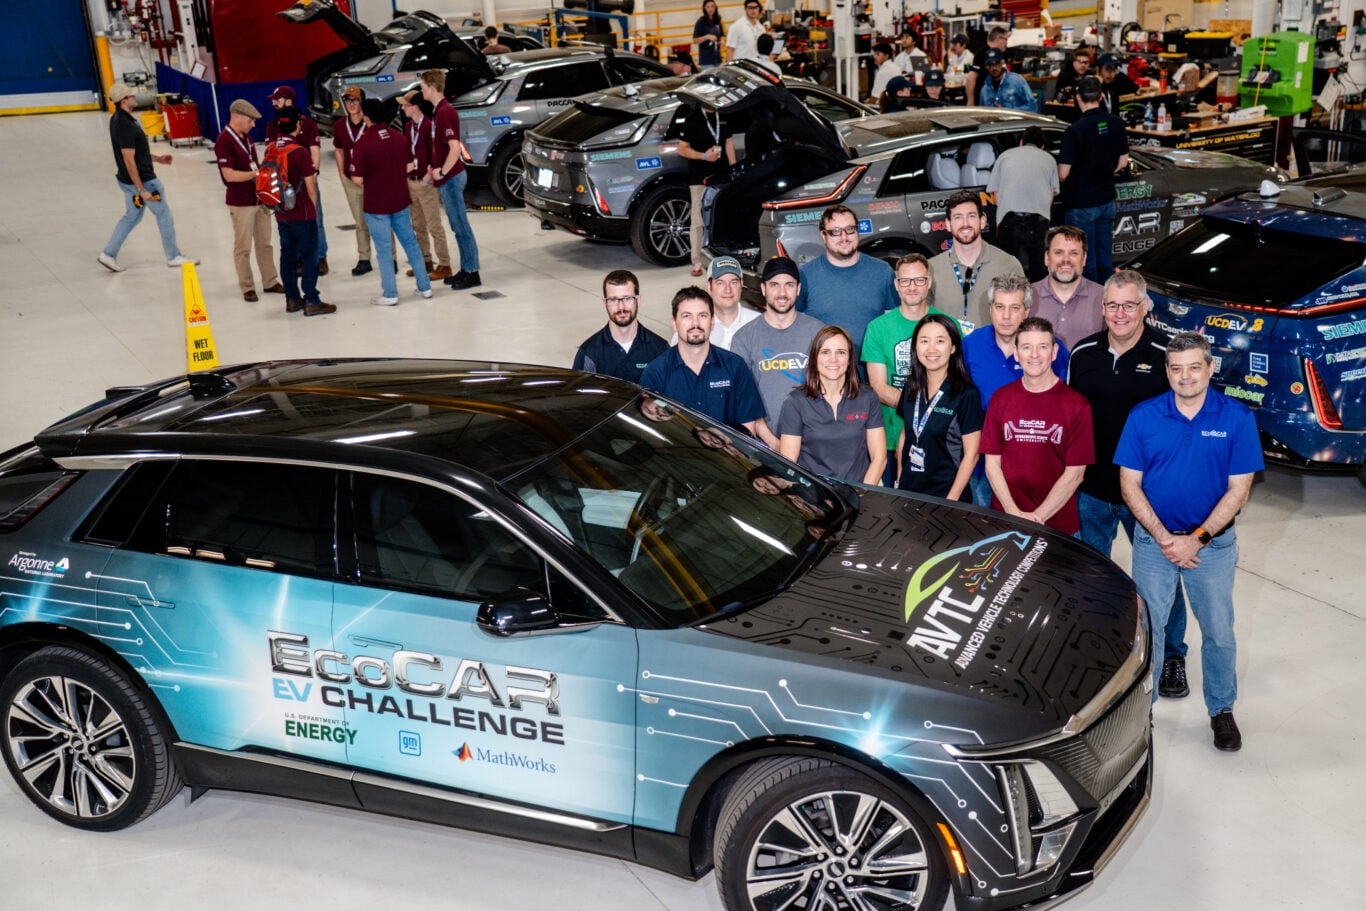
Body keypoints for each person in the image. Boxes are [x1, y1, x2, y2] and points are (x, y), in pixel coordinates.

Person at [1116, 331, 1263, 752]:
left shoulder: (1236, 418)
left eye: (1195, 367)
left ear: (1210, 368)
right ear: (1167, 371)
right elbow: (1129, 484)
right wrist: (1165, 538)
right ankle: (1142, 711)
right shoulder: (1144, 416)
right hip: (1154, 545)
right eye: (1177, 369)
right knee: (1149, 632)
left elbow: (1239, 490)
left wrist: (1196, 540)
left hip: (1211, 548)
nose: (1186, 377)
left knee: (1218, 631)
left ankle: (1221, 710)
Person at [1068, 269, 1189, 696]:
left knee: (1163, 582)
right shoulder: (1082, 353)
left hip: (1148, 498)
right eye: (1112, 305)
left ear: (1145, 307)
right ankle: (1102, 651)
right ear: (1102, 308)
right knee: (1093, 579)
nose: (1120, 313)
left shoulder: (1165, 355)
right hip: (1092, 492)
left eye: (1129, 305)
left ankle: (1172, 656)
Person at [962, 274, 1069, 505]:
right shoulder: (970, 346)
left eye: (1014, 308)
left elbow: (1064, 405)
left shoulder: (1052, 350)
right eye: (1000, 307)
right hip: (982, 467)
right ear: (990, 309)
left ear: (1027, 311)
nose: (1006, 316)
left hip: (1037, 468)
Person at [980, 315, 1093, 534]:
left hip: (1058, 527)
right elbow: (992, 465)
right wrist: (1013, 512)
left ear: (1054, 352)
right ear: (1016, 353)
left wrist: (1036, 518)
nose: (1034, 355)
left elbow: (1075, 474)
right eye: (1026, 347)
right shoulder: (1000, 399)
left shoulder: (1077, 405)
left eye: (1042, 347)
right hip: (1006, 520)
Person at [864, 253, 957, 482]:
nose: (912, 287)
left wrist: (928, 413)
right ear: (896, 285)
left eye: (919, 280)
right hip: (890, 436)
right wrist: (918, 408)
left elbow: (956, 381)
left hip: (939, 437)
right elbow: (878, 386)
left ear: (929, 282)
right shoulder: (877, 328)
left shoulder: (948, 324)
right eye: (905, 281)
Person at [639, 287, 768, 436]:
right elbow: (650, 429)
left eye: (702, 315)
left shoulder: (735, 366)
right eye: (686, 316)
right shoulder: (656, 372)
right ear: (674, 323)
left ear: (712, 322)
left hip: (727, 451)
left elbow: (747, 429)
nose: (695, 323)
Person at [98, 83, 196, 272]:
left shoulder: (119, 119)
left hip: (128, 180)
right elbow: (129, 161)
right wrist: (142, 189)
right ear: (124, 101)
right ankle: (173, 256)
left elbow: (136, 154)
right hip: (144, 182)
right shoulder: (125, 125)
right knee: (164, 215)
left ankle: (108, 254)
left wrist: (157, 159)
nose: (135, 97)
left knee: (132, 217)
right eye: (131, 96)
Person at [349, 98, 433, 307]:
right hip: (400, 200)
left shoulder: (363, 144)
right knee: (411, 243)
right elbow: (410, 166)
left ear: (366, 117)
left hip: (376, 203)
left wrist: (374, 179)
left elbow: (357, 179)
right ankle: (425, 287)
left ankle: (390, 293)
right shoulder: (399, 137)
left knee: (384, 249)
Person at [732, 256, 824, 447]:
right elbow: (743, 400)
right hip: (766, 447)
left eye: (789, 285)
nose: (782, 293)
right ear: (763, 289)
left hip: (814, 444)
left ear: (798, 289)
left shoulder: (819, 332)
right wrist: (773, 444)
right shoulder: (744, 338)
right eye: (774, 285)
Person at [777, 326, 886, 485]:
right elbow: (789, 463)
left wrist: (862, 493)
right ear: (815, 358)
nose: (833, 359)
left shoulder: (868, 397)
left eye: (841, 352)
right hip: (814, 493)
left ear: (850, 359)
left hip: (860, 489)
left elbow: (879, 457)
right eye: (825, 352)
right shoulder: (795, 402)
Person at [895, 314, 982, 502]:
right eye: (924, 341)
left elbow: (972, 454)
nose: (931, 349)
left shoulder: (966, 394)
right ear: (915, 347)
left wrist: (950, 501)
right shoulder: (911, 387)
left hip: (946, 496)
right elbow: (905, 434)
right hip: (909, 492)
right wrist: (900, 478)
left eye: (940, 341)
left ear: (953, 347)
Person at [794, 205, 898, 351]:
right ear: (823, 235)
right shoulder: (805, 275)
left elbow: (894, 323)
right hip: (826, 364)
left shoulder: (882, 271)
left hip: (872, 363)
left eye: (850, 229)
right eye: (836, 232)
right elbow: (795, 325)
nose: (844, 237)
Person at [1059, 75, 1129, 282]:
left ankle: (1089, 299)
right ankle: (1107, 295)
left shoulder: (1074, 131)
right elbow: (1123, 162)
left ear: (1078, 98)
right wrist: (1103, 171)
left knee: (1084, 260)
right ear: (1101, 97)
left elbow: (1063, 173)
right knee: (1105, 257)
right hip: (1106, 198)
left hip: (1081, 203)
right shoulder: (1116, 123)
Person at [927, 190, 1023, 336]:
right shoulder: (931, 268)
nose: (965, 224)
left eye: (971, 216)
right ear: (948, 224)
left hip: (993, 349)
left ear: (982, 221)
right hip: (948, 349)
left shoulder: (1008, 264)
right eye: (958, 217)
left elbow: (1022, 317)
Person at [420, 69, 482, 291]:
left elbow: (455, 148)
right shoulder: (439, 111)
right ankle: (466, 268)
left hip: (452, 178)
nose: (421, 91)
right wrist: (434, 166)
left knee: (461, 226)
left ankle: (472, 271)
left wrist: (443, 172)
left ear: (432, 87)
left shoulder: (445, 112)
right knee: (457, 226)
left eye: (423, 87)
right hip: (448, 177)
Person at [214, 98, 282, 302]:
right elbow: (228, 175)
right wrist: (255, 174)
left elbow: (254, 164)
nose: (253, 125)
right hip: (240, 201)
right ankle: (247, 286)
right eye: (250, 121)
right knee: (243, 247)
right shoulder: (224, 140)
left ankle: (270, 281)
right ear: (237, 117)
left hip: (258, 199)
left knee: (265, 243)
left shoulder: (247, 137)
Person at [269, 106, 333, 316]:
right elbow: (311, 187)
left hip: (281, 212)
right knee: (309, 255)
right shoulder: (299, 151)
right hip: (302, 213)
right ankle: (312, 300)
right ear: (297, 125)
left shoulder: (271, 148)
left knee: (287, 254)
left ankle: (292, 299)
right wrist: (313, 211)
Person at [265, 85, 328, 276]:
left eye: (277, 100)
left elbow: (315, 151)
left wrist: (313, 175)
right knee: (288, 221)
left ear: (288, 101)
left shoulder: (308, 124)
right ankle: (298, 258)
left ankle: (320, 256)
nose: (274, 103)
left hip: (306, 179)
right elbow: (270, 153)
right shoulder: (273, 125)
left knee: (315, 218)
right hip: (283, 183)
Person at [986, 126, 1057, 281]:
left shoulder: (1004, 156)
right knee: (1038, 268)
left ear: (1021, 142)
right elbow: (1050, 196)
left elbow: (996, 196)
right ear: (1042, 146)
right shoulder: (1049, 159)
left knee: (1007, 269)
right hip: (1037, 221)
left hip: (1009, 220)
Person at [572, 269, 668, 382]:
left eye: (627, 298)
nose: (621, 307)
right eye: (613, 300)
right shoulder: (589, 353)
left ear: (638, 300)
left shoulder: (660, 349)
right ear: (605, 303)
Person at [399, 91, 452, 281]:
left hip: (425, 182)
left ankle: (444, 263)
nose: (402, 108)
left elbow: (435, 153)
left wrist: (427, 177)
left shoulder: (429, 126)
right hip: (411, 181)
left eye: (405, 105)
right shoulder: (408, 127)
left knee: (433, 225)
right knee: (418, 224)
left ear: (415, 107)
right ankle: (425, 260)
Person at [678, 101, 735, 276]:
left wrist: (733, 169)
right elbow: (682, 149)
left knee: (721, 218)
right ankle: (696, 261)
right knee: (698, 220)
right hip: (699, 177)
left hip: (722, 176)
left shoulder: (723, 115)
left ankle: (722, 256)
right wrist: (703, 156)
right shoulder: (692, 118)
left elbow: (728, 143)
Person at [1030, 225, 1105, 348]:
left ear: (1084, 259)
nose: (1066, 259)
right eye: (1058, 252)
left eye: (1074, 253)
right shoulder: (1026, 296)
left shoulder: (1104, 297)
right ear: (1047, 258)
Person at [677, 255, 757, 349]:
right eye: (720, 283)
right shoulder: (692, 328)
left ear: (741, 285)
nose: (728, 290)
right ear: (709, 286)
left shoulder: (758, 323)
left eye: (733, 282)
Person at [965, 25, 1009, 106]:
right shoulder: (983, 53)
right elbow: (970, 77)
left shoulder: (999, 54)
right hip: (983, 100)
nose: (1006, 43)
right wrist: (971, 101)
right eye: (1005, 39)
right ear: (998, 39)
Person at [693, 0, 725, 70]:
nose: (710, 9)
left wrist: (722, 41)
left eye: (712, 6)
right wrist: (706, 37)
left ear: (715, 7)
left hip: (717, 59)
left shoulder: (717, 20)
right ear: (704, 8)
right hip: (706, 60)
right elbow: (695, 40)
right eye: (708, 7)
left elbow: (721, 36)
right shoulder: (701, 22)